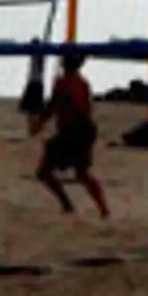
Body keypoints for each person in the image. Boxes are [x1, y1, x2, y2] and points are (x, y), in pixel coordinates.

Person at [30, 48, 109, 219]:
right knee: (81, 173)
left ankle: (69, 205)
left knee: (45, 172)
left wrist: (40, 122)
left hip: (75, 131)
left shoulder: (66, 83)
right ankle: (100, 207)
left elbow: (56, 105)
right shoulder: (82, 83)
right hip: (83, 131)